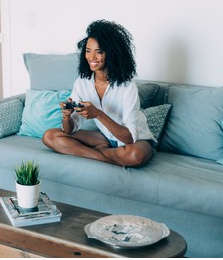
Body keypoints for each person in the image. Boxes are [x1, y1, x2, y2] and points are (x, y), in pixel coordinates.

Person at [42, 19, 156, 167]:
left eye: (99, 52)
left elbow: (129, 138)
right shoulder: (82, 83)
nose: (91, 57)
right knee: (50, 136)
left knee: (135, 155)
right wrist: (66, 116)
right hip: (105, 139)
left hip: (137, 141)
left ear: (112, 53)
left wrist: (98, 114)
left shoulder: (128, 86)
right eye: (88, 51)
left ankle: (97, 154)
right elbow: (70, 130)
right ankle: (108, 157)